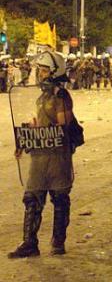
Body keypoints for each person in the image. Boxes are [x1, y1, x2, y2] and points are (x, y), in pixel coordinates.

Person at [9, 51, 75, 258]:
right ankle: (30, 243)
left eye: (45, 70)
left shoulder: (61, 96)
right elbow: (39, 123)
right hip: (39, 155)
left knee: (59, 198)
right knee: (32, 198)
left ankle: (58, 242)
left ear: (55, 72)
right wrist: (25, 137)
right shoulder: (41, 97)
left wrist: (46, 131)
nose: (41, 75)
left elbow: (64, 127)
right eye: (40, 70)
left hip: (57, 156)